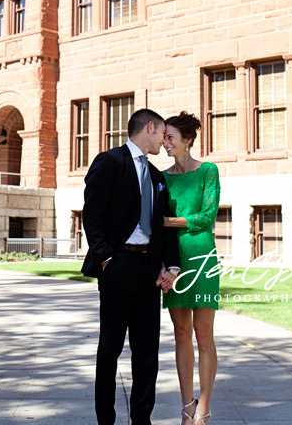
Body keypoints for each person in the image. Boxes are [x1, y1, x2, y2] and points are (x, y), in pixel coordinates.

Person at [82, 108, 181, 425]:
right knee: (110, 348)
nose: (164, 141)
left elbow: (163, 225)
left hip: (149, 272)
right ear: (149, 128)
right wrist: (106, 258)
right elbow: (92, 214)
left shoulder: (156, 176)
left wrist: (171, 266)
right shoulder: (110, 162)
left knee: (147, 352)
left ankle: (142, 419)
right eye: (162, 133)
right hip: (117, 266)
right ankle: (105, 420)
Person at [161, 112, 221, 424]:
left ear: (187, 140)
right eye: (164, 137)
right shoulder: (163, 177)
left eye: (170, 137)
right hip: (174, 262)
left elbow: (207, 217)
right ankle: (187, 407)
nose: (164, 143)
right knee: (181, 334)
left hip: (202, 258)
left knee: (203, 334)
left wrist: (168, 222)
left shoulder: (208, 171)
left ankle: (204, 409)